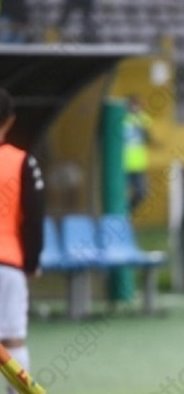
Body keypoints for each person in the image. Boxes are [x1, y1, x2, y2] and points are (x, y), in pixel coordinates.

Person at [0, 89, 44, 394]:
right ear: (10, 120)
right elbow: (33, 217)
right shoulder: (22, 161)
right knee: (13, 340)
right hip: (8, 264)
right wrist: (32, 262)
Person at [123, 96, 153, 212]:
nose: (134, 107)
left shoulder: (143, 119)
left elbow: (148, 137)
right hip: (123, 164)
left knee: (141, 193)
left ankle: (128, 211)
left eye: (137, 105)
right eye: (132, 105)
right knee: (121, 194)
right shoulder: (122, 119)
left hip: (139, 164)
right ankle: (121, 216)